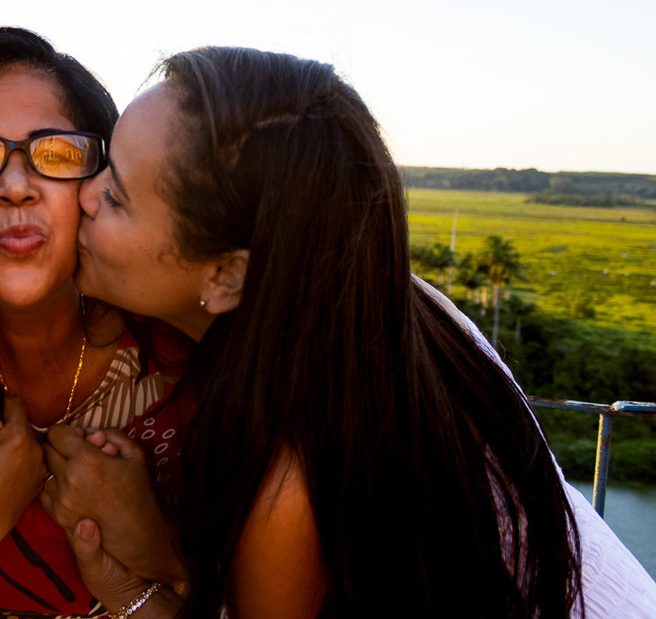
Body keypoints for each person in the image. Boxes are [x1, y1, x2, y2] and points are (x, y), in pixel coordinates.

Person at [45, 46, 656, 617]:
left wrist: (141, 570)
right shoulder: (383, 304)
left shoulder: (291, 480)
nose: (86, 194)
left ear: (228, 276)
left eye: (118, 196)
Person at [0, 27, 194, 618]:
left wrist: (165, 544)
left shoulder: (187, 352)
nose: (16, 188)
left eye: (58, 154)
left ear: (105, 183)